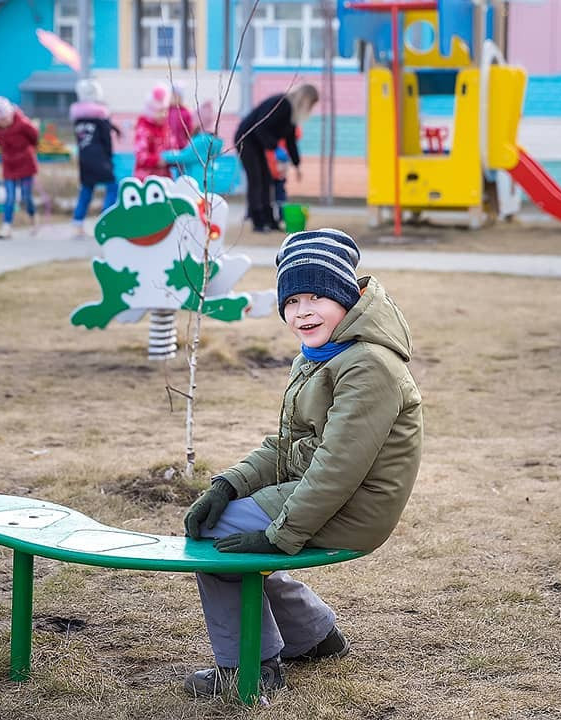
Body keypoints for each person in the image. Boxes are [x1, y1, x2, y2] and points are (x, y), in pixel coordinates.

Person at [182, 228, 423, 698]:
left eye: (317, 296)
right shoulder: (321, 355)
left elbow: (338, 467)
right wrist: (228, 485)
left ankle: (250, 666)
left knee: (218, 537)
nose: (303, 311)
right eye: (292, 300)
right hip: (329, 492)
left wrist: (278, 536)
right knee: (223, 520)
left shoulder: (367, 364)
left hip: (355, 504)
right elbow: (288, 445)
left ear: (348, 297)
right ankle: (314, 637)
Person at [234, 84, 319, 233]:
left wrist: (297, 165)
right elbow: (260, 127)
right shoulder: (282, 105)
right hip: (246, 139)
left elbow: (290, 140)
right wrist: (275, 147)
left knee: (266, 180)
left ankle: (270, 220)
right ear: (305, 99)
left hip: (258, 142)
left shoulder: (291, 114)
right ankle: (258, 221)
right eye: (311, 104)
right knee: (256, 179)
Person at [70, 78, 121, 237]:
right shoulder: (101, 117)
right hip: (100, 159)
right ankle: (106, 220)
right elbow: (106, 140)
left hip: (84, 160)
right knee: (113, 186)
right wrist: (109, 157)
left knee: (86, 189)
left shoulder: (78, 120)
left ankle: (77, 223)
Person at [0, 96, 39, 240]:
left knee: (25, 196)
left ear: (10, 114)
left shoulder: (23, 124)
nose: (3, 123)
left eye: (5, 118)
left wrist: (25, 150)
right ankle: (6, 226)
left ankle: (33, 215)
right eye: (0, 120)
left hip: (26, 165)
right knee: (10, 197)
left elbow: (34, 137)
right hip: (9, 166)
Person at [161, 99, 223, 192]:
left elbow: (185, 156)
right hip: (204, 182)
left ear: (199, 121)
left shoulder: (202, 141)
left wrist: (164, 156)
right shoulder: (210, 140)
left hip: (194, 183)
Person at [133, 84, 172, 180]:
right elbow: (140, 154)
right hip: (146, 177)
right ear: (151, 112)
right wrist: (157, 160)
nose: (164, 115)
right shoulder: (143, 129)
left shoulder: (166, 128)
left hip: (164, 177)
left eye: (165, 111)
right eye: (160, 111)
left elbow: (171, 145)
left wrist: (173, 156)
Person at [167, 82, 195, 151]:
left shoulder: (185, 112)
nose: (173, 98)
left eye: (176, 96)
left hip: (181, 146)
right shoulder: (166, 111)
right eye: (172, 95)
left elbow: (189, 130)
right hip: (167, 146)